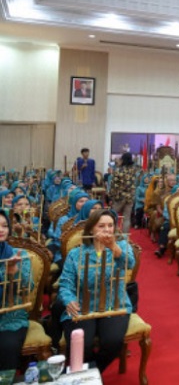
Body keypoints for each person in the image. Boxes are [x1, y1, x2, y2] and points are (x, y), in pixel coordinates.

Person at [59, 209, 135, 372]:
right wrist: (69, 300)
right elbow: (66, 283)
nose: (107, 230)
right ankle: (85, 373)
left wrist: (113, 246)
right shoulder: (76, 253)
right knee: (81, 344)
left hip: (113, 304)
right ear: (91, 229)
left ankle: (92, 373)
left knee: (113, 341)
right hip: (83, 305)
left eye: (110, 225)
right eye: (101, 226)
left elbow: (129, 263)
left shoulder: (121, 246)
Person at [0, 210, 32, 371]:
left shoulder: (19, 255)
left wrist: (13, 274)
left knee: (7, 346)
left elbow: (28, 288)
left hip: (10, 318)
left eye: (5, 226)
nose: (1, 230)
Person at [109, 152, 137, 233]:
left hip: (119, 197)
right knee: (127, 218)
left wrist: (111, 197)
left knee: (113, 216)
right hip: (130, 196)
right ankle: (125, 237)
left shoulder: (118, 170)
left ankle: (114, 234)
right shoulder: (134, 170)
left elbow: (113, 185)